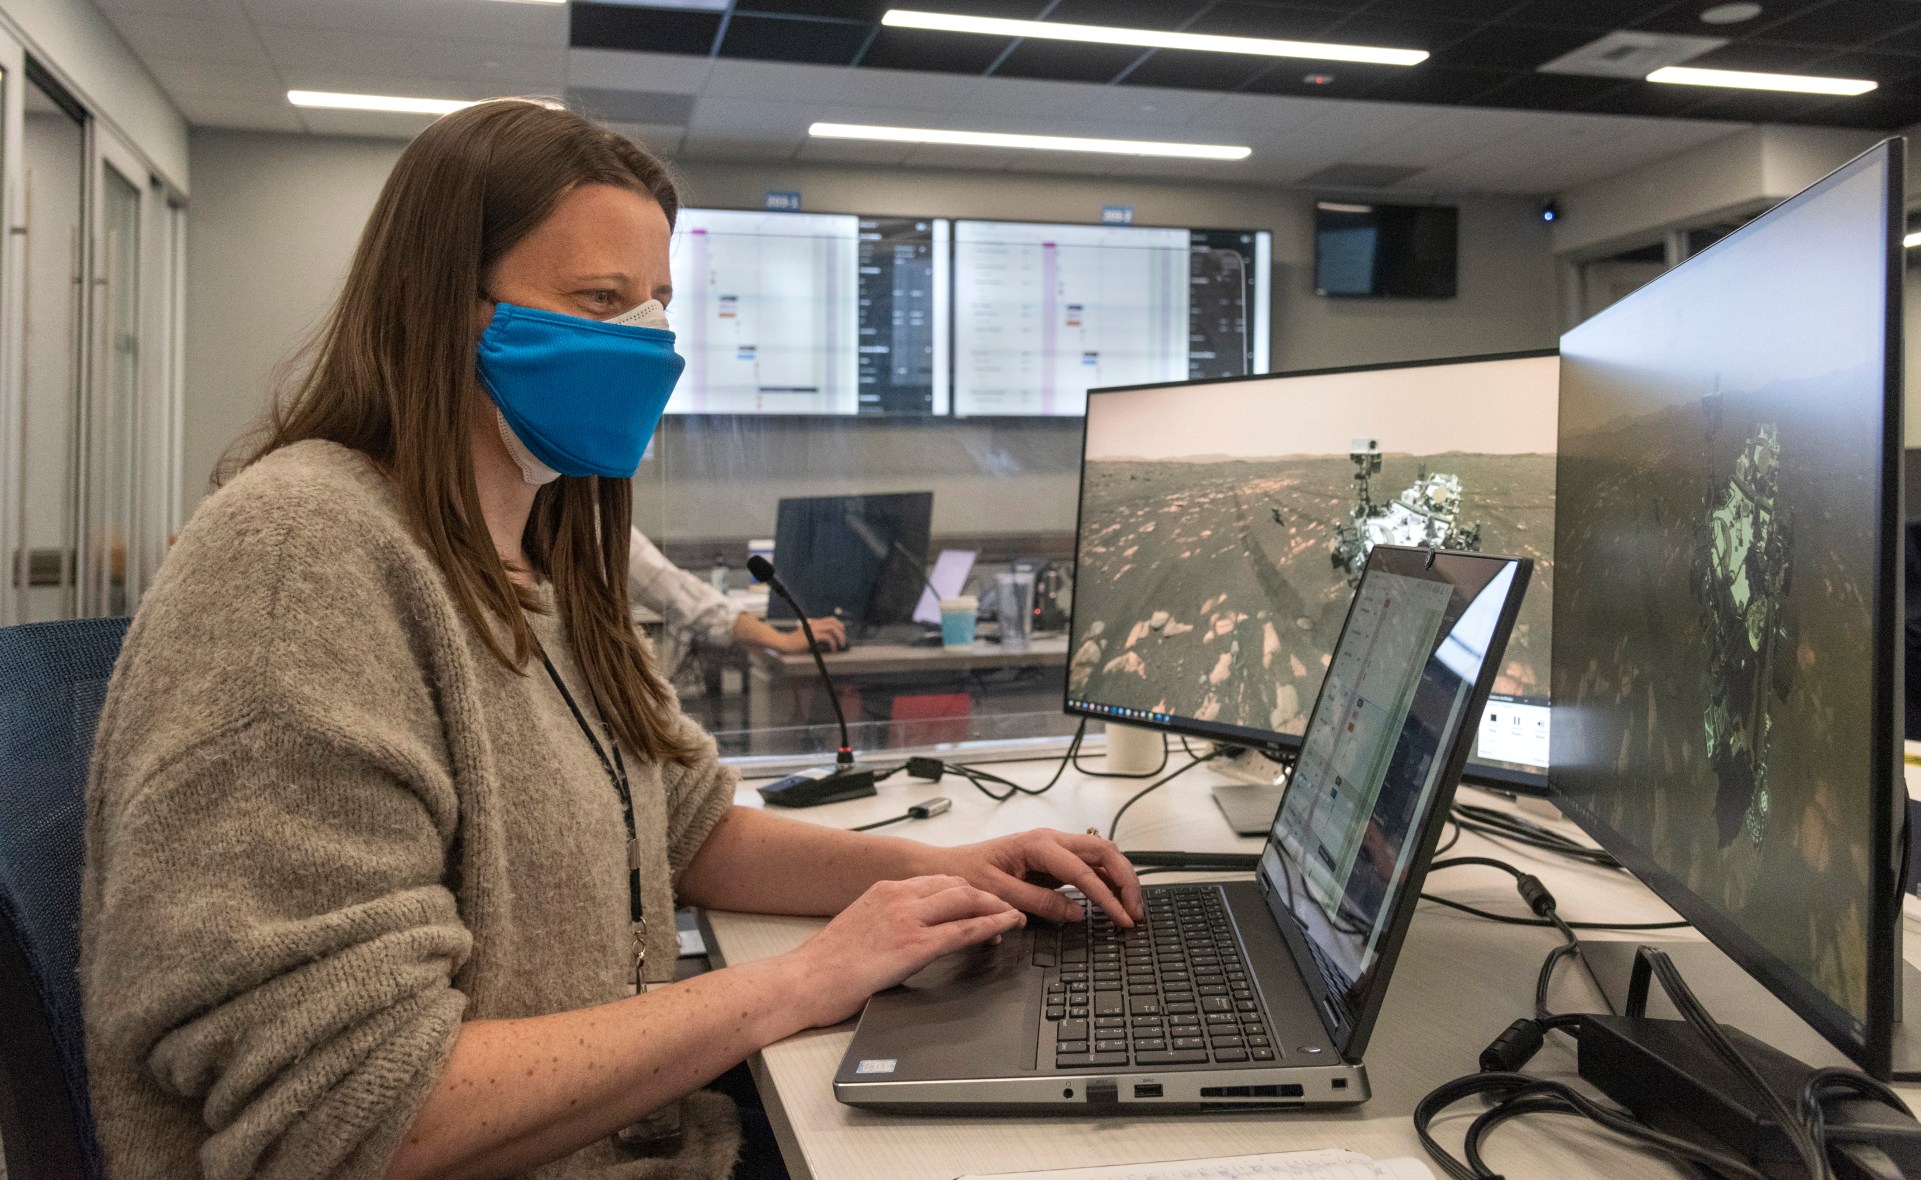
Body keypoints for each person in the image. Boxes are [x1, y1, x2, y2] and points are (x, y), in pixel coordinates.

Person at [79, 98, 1141, 1180]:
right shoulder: (298, 560)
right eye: (598, 299)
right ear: (444, 306)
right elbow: (346, 1110)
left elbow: (683, 830)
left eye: (656, 305)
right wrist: (803, 978)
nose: (644, 343)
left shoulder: (541, 551)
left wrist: (944, 870)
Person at [625, 526, 846, 696]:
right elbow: (680, 595)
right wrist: (783, 640)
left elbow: (681, 594)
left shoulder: (598, 520)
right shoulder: (596, 524)